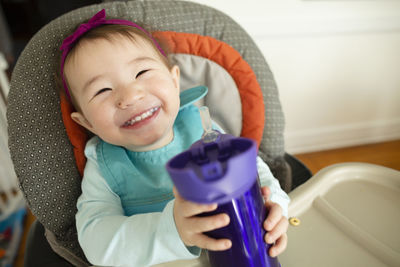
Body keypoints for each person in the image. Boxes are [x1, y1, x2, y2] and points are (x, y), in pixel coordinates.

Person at [60, 9, 290, 266]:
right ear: (86, 123)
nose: (131, 96)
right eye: (102, 90)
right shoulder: (105, 166)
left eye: (142, 73)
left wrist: (274, 209)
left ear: (174, 81)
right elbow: (96, 242)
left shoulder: (204, 130)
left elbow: (257, 174)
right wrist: (173, 229)